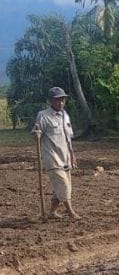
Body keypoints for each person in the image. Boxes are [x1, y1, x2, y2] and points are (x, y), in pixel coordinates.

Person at [32, 86, 80, 219]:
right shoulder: (43, 116)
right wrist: (37, 134)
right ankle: (71, 213)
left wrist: (72, 155)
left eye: (63, 100)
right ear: (51, 101)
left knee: (63, 187)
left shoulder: (65, 115)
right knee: (63, 185)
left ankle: (52, 212)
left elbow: (68, 138)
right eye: (58, 100)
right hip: (52, 158)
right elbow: (37, 131)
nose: (61, 103)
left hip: (65, 157)